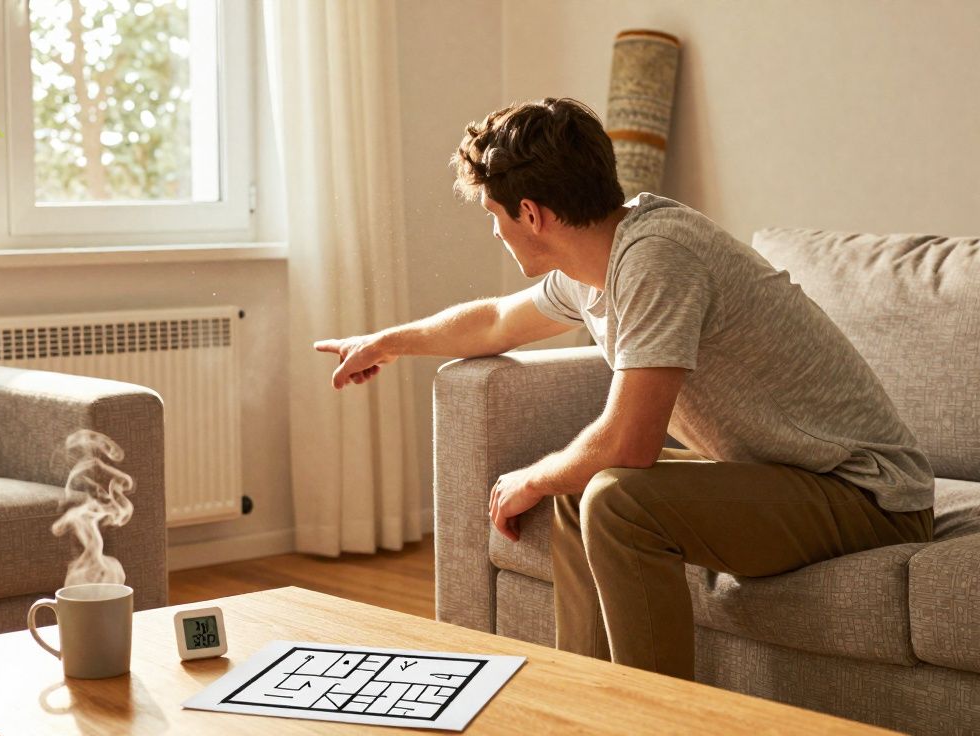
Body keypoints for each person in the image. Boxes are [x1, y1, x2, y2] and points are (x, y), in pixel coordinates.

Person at [313, 97, 934, 681]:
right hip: (785, 478)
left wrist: (532, 476)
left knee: (613, 495)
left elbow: (630, 444)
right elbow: (498, 320)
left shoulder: (657, 256)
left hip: (868, 496)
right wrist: (386, 341)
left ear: (530, 213)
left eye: (493, 216)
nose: (494, 231)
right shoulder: (596, 263)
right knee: (576, 490)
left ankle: (651, 715)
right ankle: (590, 702)